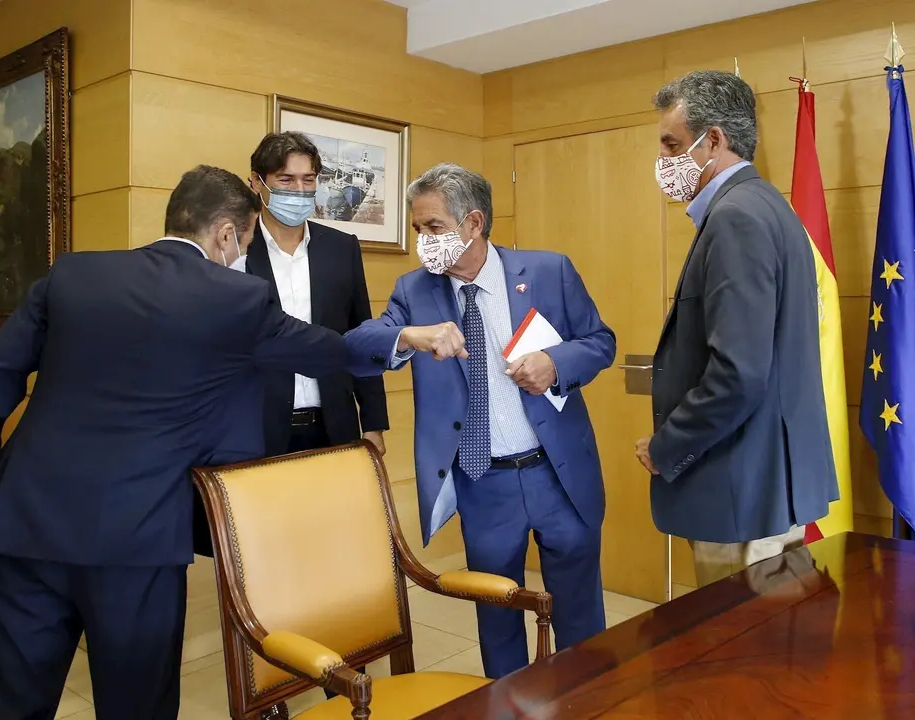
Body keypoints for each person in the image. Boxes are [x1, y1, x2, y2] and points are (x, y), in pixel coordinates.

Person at [0, 165, 352, 720]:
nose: (242, 255)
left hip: (24, 527)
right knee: (136, 707)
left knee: (7, 707)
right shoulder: (236, 297)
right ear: (226, 234)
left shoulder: (73, 276)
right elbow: (328, 351)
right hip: (138, 544)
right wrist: (404, 337)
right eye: (246, 242)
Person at [344, 163, 616, 679]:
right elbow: (356, 349)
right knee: (498, 620)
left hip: (557, 474)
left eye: (433, 227)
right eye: (416, 228)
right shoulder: (413, 291)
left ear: (473, 223)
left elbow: (601, 342)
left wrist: (557, 363)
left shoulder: (547, 272)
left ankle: (593, 703)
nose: (422, 241)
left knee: (581, 618)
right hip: (483, 481)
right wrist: (409, 338)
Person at [636, 70, 838, 587]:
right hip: (764, 484)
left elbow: (738, 374)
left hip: (742, 493)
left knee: (740, 658)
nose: (662, 161)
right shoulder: (767, 204)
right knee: (773, 653)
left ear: (714, 141)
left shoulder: (736, 217)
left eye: (672, 144)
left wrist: (666, 447)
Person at [246, 132, 389, 461]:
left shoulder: (341, 248)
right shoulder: (236, 248)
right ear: (256, 182)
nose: (298, 191)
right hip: (256, 429)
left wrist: (373, 423)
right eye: (286, 180)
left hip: (333, 425)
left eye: (308, 179)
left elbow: (362, 334)